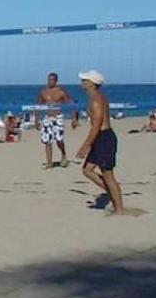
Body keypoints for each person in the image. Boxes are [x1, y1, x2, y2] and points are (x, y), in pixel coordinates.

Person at [75, 70, 127, 215]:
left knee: (108, 175)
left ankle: (120, 209)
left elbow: (97, 124)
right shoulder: (94, 97)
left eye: (84, 80)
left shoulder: (96, 99)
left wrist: (85, 146)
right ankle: (112, 194)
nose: (82, 82)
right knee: (87, 170)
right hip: (100, 137)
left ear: (92, 83)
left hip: (104, 137)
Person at [36, 72, 73, 168]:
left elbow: (71, 103)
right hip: (47, 118)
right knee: (47, 141)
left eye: (52, 80)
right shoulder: (43, 92)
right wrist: (36, 119)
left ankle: (63, 154)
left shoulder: (61, 92)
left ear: (56, 81)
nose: (50, 81)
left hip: (58, 117)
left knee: (59, 140)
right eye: (49, 79)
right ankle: (49, 162)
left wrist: (74, 118)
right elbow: (38, 106)